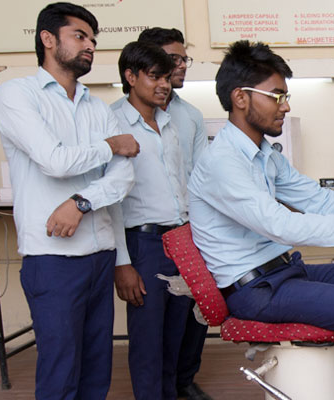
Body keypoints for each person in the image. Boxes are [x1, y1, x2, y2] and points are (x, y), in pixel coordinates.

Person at [188, 40, 334, 400]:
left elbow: (316, 199)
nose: (285, 106)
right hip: (255, 291)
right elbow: (283, 226)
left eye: (286, 97)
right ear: (241, 98)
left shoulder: (264, 154)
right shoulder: (223, 162)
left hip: (284, 273)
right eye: (277, 96)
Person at [0, 3, 137, 398]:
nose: (90, 46)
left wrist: (80, 202)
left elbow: (123, 177)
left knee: (95, 368)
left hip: (100, 253)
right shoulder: (16, 95)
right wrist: (111, 146)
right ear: (48, 39)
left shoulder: (97, 106)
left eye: (93, 40)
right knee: (60, 369)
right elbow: (53, 161)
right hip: (52, 258)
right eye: (80, 36)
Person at [108, 40, 194, 400]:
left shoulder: (169, 122)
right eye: (154, 76)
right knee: (147, 343)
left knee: (175, 337)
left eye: (166, 77)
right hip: (143, 245)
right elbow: (109, 199)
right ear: (130, 76)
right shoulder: (111, 122)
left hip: (181, 241)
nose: (164, 84)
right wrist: (122, 263)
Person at [134, 27, 213, 400]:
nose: (179, 66)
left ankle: (182, 380)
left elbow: (201, 176)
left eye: (183, 60)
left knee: (191, 311)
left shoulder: (189, 116)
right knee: (153, 324)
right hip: (147, 233)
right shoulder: (119, 116)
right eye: (171, 60)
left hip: (188, 228)